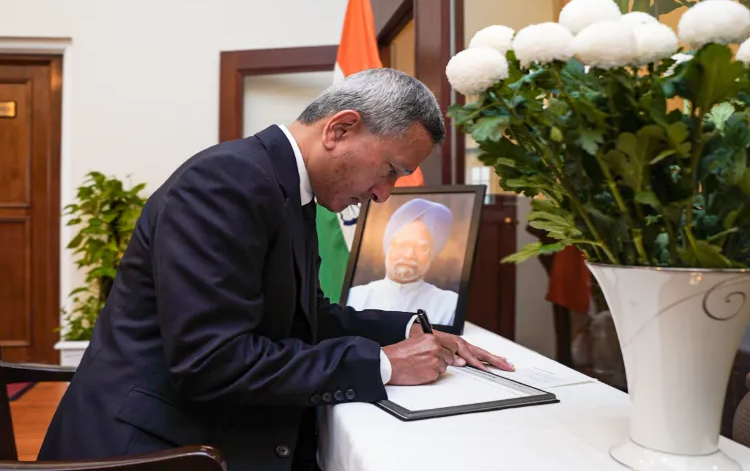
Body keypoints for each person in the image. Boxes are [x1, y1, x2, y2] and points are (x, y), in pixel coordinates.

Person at [38, 68, 513, 471]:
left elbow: (306, 316)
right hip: (153, 452)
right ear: (340, 129)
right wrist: (384, 364)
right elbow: (212, 362)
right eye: (390, 169)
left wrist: (413, 327)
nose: (384, 194)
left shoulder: (285, 186)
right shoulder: (225, 184)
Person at [347, 198, 459, 325]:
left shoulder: (449, 305)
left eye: (422, 247)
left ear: (432, 255)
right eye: (402, 245)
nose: (409, 254)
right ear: (388, 246)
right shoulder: (355, 297)